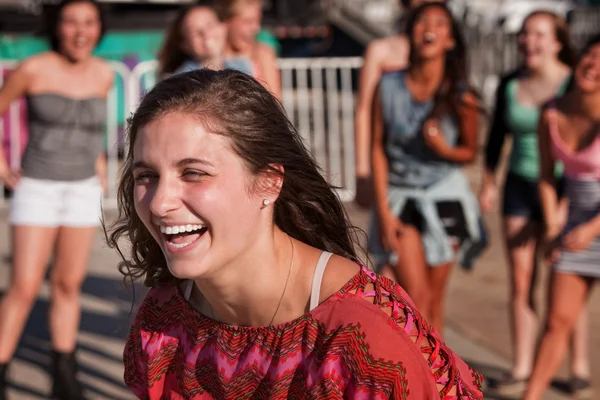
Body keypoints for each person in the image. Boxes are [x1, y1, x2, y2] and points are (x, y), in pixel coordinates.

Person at [111, 68, 484, 399]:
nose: (159, 203)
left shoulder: (363, 342)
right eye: (147, 176)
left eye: (193, 172)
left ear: (269, 183)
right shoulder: (163, 322)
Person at [0, 1, 113, 399]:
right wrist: (1, 166)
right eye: (71, 22)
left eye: (88, 23)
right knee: (25, 287)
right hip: (38, 189)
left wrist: (99, 164)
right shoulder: (34, 68)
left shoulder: (104, 74)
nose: (80, 31)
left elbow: (92, 130)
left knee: (68, 285)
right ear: (57, 26)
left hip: (81, 190)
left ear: (99, 28)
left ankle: (64, 381)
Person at [479, 11, 590, 397]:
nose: (530, 41)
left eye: (539, 34)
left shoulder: (577, 82)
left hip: (566, 188)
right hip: (520, 187)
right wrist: (488, 181)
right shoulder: (511, 83)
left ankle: (577, 363)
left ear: (558, 41)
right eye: (525, 34)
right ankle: (522, 364)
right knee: (521, 279)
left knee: (567, 275)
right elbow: (496, 138)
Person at [370, 2, 482, 333]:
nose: (429, 28)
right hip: (401, 194)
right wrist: (384, 211)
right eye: (421, 22)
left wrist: (443, 148)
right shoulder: (388, 86)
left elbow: (470, 152)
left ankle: (437, 381)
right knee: (413, 296)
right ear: (410, 34)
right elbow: (378, 148)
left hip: (445, 195)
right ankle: (424, 376)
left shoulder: (461, 95)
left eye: (439, 23)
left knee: (433, 299)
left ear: (450, 40)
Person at [524, 34, 600, 400]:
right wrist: (554, 227)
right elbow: (546, 176)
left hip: (593, 223)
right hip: (575, 223)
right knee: (557, 321)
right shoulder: (552, 112)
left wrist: (592, 228)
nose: (593, 64)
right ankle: (531, 396)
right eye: (590, 54)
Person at [354, 0, 447, 209]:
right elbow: (364, 111)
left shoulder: (447, 55)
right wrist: (362, 171)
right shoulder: (380, 51)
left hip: (436, 170)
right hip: (390, 168)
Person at [157, 1, 253, 79]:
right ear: (185, 44)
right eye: (194, 31)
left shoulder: (242, 66)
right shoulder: (180, 81)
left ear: (223, 27)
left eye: (209, 25)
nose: (205, 34)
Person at [215, 0, 282, 98]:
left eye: (258, 21)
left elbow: (276, 100)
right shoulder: (212, 55)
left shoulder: (263, 53)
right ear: (227, 22)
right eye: (248, 21)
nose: (256, 28)